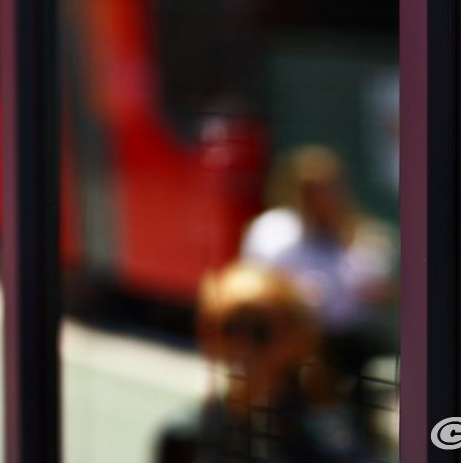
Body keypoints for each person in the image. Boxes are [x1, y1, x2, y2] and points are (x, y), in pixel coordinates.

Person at [239, 146, 394, 419]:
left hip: (344, 342)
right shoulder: (272, 231)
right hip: (286, 338)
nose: (322, 199)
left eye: (329, 190)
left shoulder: (363, 236)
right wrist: (292, 295)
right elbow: (251, 285)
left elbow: (380, 292)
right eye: (311, 191)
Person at [154, 262, 361, 463]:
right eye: (230, 327)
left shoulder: (324, 440)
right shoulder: (186, 434)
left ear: (297, 338)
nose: (241, 345)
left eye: (259, 331)